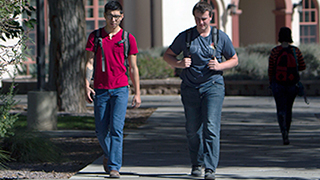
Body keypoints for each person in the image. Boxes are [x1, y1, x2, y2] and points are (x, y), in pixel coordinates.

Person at [163, 2, 238, 179]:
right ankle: (197, 164)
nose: (200, 22)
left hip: (213, 87)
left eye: (203, 19)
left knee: (211, 127)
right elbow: (168, 55)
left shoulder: (220, 37)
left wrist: (220, 66)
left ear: (210, 17)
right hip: (190, 88)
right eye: (197, 19)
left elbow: (234, 59)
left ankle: (210, 168)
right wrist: (179, 64)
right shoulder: (186, 36)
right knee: (192, 129)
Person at [84, 1, 141, 178]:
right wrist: (86, 85)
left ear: (122, 17)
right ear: (105, 16)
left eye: (117, 16)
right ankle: (109, 154)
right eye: (110, 16)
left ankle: (114, 166)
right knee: (101, 130)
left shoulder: (127, 38)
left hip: (121, 89)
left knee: (116, 129)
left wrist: (138, 92)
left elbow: (133, 67)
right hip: (100, 89)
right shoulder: (96, 37)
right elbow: (89, 62)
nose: (113, 20)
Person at [268, 27, 306, 145]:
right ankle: (287, 132)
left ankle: (282, 130)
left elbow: (271, 69)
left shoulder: (275, 51)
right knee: (289, 109)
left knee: (280, 109)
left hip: (278, 84)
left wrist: (271, 82)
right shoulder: (296, 51)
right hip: (291, 84)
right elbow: (302, 66)